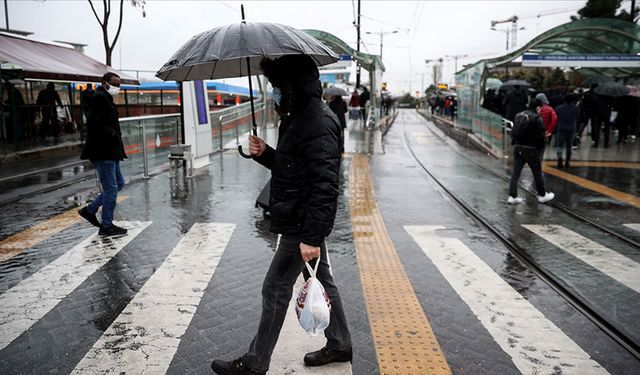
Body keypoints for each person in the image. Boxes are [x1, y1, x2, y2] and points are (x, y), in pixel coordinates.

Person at [210, 55, 352, 375]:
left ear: (292, 85)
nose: (274, 91)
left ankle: (255, 363)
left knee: (274, 287)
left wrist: (312, 236)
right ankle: (340, 342)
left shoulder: (316, 121)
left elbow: (325, 185)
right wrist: (265, 155)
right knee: (322, 279)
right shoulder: (299, 116)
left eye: (276, 85)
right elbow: (292, 170)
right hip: (300, 216)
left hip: (302, 222)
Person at [78, 72, 128, 237]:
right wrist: (112, 134)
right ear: (105, 83)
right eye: (115, 84)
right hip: (103, 151)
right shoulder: (100, 97)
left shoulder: (106, 97)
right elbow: (94, 123)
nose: (117, 88)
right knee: (112, 189)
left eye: (119, 85)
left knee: (119, 183)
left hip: (110, 151)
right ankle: (106, 226)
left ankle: (90, 210)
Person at [507, 98, 555, 205]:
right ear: (538, 107)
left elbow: (514, 132)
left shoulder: (519, 115)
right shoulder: (537, 118)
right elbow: (540, 136)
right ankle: (542, 195)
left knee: (516, 172)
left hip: (518, 147)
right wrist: (540, 147)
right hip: (531, 149)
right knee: (537, 172)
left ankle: (512, 196)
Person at [554, 94, 580, 168]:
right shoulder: (576, 108)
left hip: (561, 128)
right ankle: (567, 161)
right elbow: (578, 118)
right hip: (571, 128)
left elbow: (555, 118)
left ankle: (559, 158)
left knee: (559, 145)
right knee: (569, 145)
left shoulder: (558, 108)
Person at [534, 93, 557, 159]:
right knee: (541, 150)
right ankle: (539, 164)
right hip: (544, 132)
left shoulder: (535, 109)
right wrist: (549, 130)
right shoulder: (549, 109)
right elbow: (554, 119)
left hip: (534, 132)